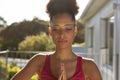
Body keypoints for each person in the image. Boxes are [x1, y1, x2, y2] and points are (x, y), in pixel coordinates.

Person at [11, 0, 102, 80]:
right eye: (56, 29)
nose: (62, 35)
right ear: (50, 31)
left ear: (75, 31)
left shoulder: (89, 66)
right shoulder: (39, 61)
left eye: (68, 29)